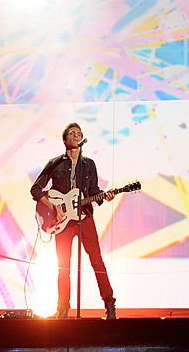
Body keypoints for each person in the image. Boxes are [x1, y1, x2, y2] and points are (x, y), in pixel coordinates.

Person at [31, 122, 117, 319]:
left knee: (97, 261)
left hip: (85, 218)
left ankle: (110, 303)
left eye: (79, 133)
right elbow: (36, 190)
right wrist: (54, 207)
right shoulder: (54, 163)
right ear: (65, 140)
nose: (76, 135)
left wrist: (105, 196)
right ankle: (62, 309)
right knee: (63, 266)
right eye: (72, 133)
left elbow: (94, 192)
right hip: (62, 223)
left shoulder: (89, 165)